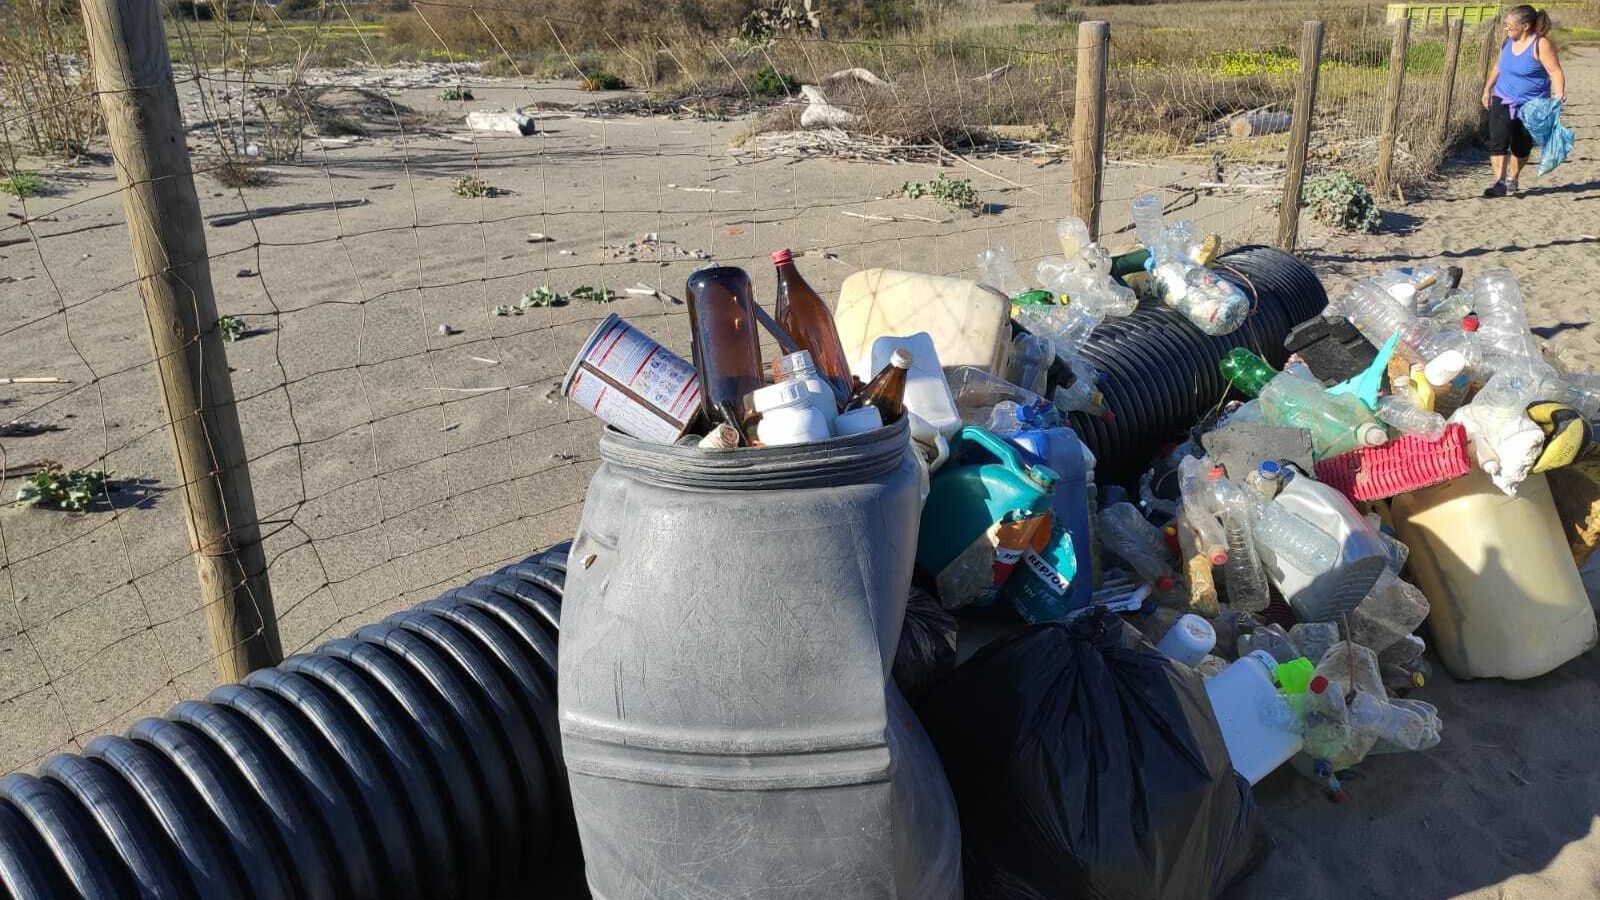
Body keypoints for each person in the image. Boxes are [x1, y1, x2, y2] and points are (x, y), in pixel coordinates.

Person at [1480, 5, 1566, 197]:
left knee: (1522, 144)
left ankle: (1512, 178)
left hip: (1531, 105)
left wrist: (1559, 97)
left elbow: (1555, 72)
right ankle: (1499, 183)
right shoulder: (1507, 42)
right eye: (1505, 25)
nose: (1506, 28)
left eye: (1510, 25)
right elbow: (1498, 67)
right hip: (1503, 97)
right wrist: (1487, 88)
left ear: (1525, 26)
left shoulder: (1541, 44)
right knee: (1498, 139)